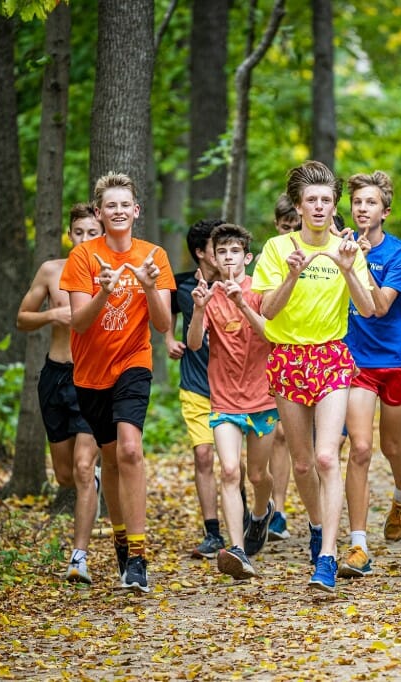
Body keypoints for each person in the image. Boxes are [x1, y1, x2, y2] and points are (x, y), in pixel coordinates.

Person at [251, 160, 375, 592]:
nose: (319, 207)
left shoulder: (348, 249)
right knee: (302, 463)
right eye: (312, 200)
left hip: (331, 357)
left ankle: (327, 556)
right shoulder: (276, 248)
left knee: (327, 456)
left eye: (326, 200)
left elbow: (370, 307)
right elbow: (266, 310)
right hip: (287, 357)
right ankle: (319, 525)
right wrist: (292, 273)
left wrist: (345, 267)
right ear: (299, 206)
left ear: (334, 204)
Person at [59, 171, 175, 592]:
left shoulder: (153, 256)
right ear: (99, 212)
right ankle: (122, 542)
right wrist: (105, 292)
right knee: (109, 458)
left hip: (133, 361)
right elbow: (79, 322)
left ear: (136, 211)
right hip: (90, 373)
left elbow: (163, 324)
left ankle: (140, 558)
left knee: (129, 449)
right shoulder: (83, 258)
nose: (119, 211)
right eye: (111, 205)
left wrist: (146, 286)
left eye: (125, 205)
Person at [16, 203, 102, 584]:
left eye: (92, 232)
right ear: (70, 235)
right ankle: (94, 484)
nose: (85, 239)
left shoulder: (111, 273)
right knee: (66, 476)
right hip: (55, 375)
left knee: (83, 467)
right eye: (79, 232)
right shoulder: (52, 270)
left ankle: (78, 557)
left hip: (93, 376)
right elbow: (22, 319)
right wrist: (53, 314)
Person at [187, 223, 277, 580]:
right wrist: (198, 309)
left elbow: (270, 333)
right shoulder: (207, 294)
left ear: (246, 257)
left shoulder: (260, 290)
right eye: (221, 252)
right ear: (213, 257)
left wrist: (241, 300)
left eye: (234, 252)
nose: (228, 258)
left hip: (262, 396)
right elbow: (194, 345)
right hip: (223, 400)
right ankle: (237, 549)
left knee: (258, 474)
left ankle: (261, 513)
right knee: (229, 470)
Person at [339, 171, 401, 579]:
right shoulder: (340, 248)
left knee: (392, 445)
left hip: (398, 359)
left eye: (370, 203)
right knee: (361, 449)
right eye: (357, 203)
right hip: (356, 361)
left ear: (385, 212)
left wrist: (360, 262)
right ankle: (357, 544)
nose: (362, 209)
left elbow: (380, 307)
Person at [165, 219, 226, 559]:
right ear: (201, 252)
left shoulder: (237, 285)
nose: (223, 253)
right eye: (216, 247)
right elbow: (166, 316)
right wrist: (169, 340)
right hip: (195, 383)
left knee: (235, 465)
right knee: (203, 455)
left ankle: (246, 515)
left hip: (232, 387)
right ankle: (213, 532)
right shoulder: (181, 285)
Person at [267, 194, 301, 542]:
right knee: (275, 436)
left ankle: (290, 509)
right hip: (278, 353)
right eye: (286, 227)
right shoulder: (271, 255)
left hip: (318, 357)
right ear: (278, 225)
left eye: (297, 227)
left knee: (317, 446)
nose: (292, 234)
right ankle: (274, 507)